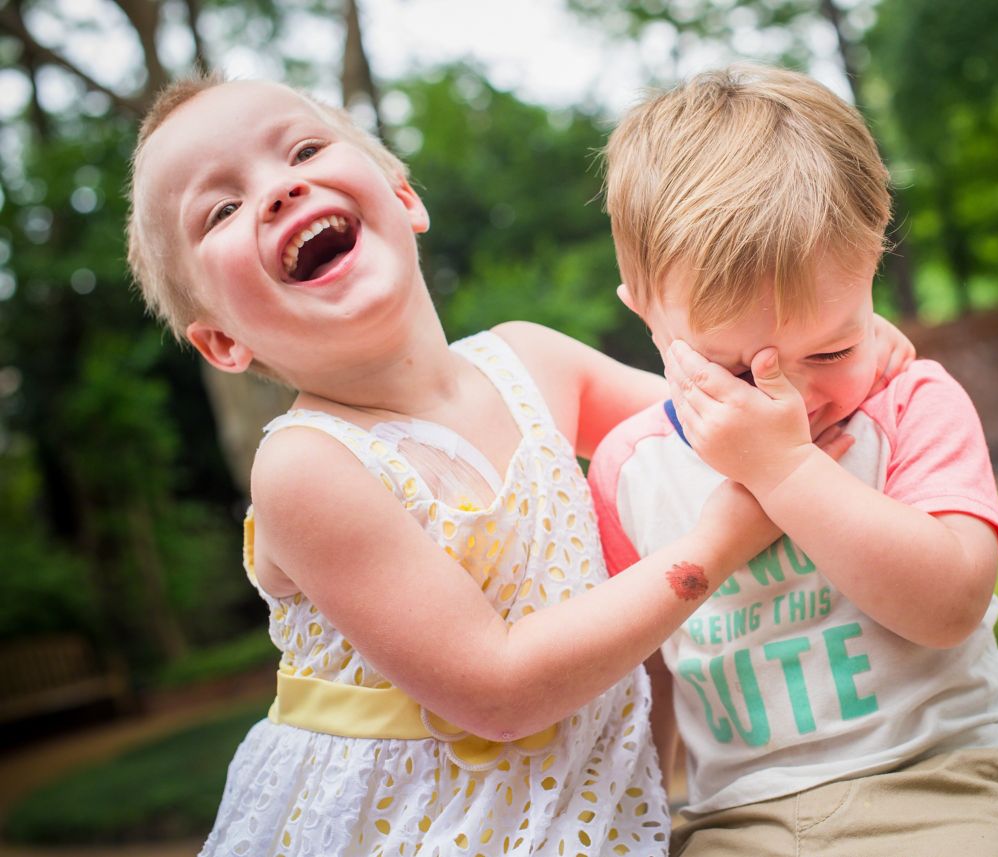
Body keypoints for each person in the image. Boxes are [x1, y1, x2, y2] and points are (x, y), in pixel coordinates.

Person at [124, 73, 915, 856]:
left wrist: (842, 357)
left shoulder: (532, 359)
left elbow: (716, 420)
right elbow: (498, 689)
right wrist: (713, 546)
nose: (278, 190)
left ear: (403, 198)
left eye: (301, 149)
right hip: (417, 827)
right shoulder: (307, 467)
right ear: (223, 341)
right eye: (222, 208)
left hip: (576, 816)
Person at [588, 65, 998, 857]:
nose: (789, 400)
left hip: (946, 787)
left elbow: (948, 605)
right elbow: (649, 676)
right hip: (736, 820)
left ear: (873, 262)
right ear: (645, 311)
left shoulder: (912, 404)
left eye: (833, 348)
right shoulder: (629, 469)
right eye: (736, 370)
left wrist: (785, 471)